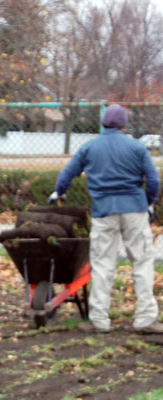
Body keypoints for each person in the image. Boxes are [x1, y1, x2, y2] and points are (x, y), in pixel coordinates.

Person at [49, 103, 162, 334]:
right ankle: (146, 319)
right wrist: (148, 202)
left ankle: (100, 320)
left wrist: (59, 192)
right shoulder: (137, 147)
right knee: (142, 261)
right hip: (134, 209)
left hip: (104, 211)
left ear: (102, 124)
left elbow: (67, 174)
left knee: (102, 265)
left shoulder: (89, 147)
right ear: (124, 125)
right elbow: (153, 180)